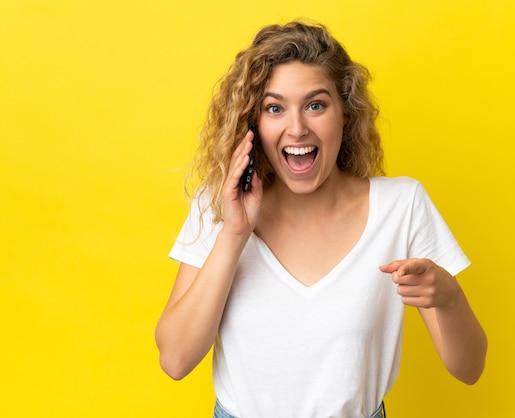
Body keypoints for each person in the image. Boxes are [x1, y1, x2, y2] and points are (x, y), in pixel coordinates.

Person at [155, 20, 487, 418]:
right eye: (274, 108)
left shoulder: (402, 206)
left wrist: (449, 298)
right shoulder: (220, 206)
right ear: (253, 124)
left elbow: (470, 369)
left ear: (345, 114)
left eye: (316, 105)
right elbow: (175, 360)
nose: (296, 129)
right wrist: (234, 233)